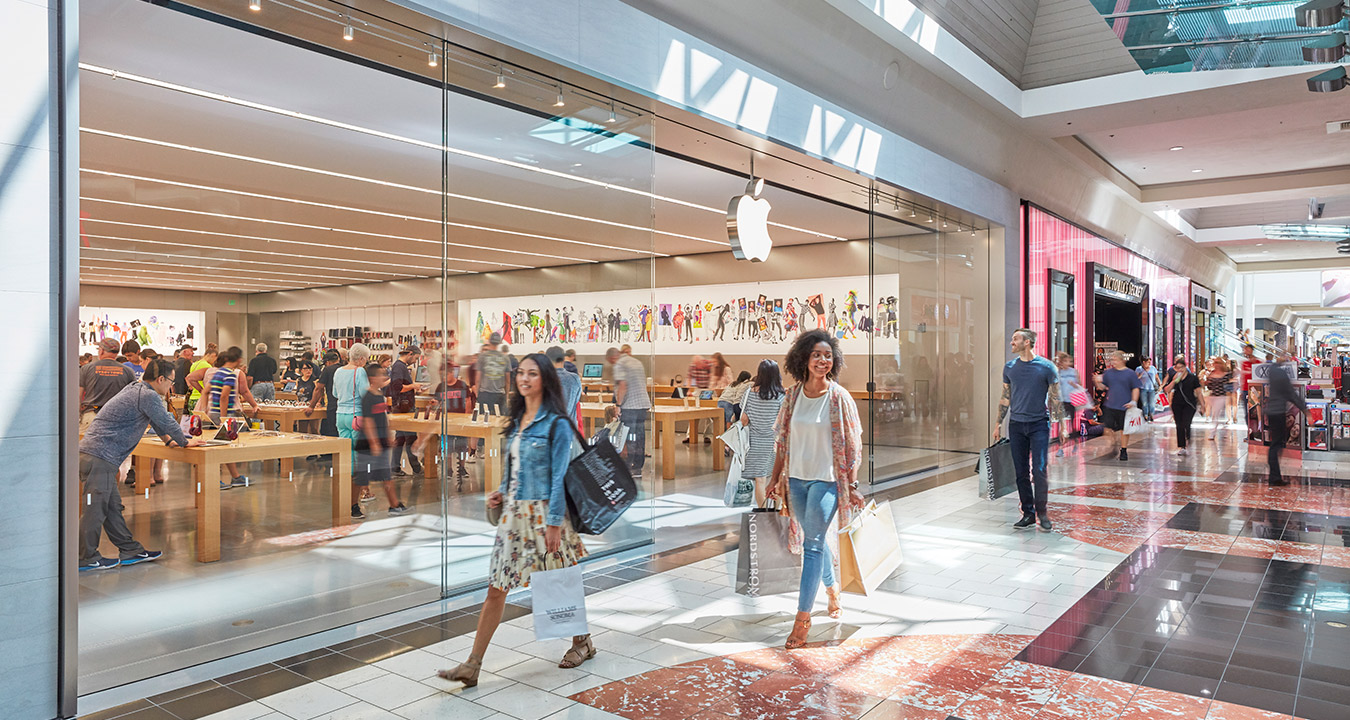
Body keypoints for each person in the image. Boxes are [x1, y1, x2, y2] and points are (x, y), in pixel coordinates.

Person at [438, 354, 592, 685]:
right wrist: (501, 492)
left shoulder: (558, 424)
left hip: (545, 514)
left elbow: (558, 476)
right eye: (520, 373)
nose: (524, 379)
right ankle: (473, 664)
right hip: (515, 514)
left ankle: (582, 642)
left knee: (558, 584)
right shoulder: (518, 418)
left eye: (532, 374)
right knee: (497, 587)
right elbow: (514, 466)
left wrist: (553, 522)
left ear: (546, 379)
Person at [765, 330, 864, 649]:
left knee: (813, 545)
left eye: (828, 355)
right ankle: (832, 589)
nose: (823, 360)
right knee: (813, 541)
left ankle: (802, 621)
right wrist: (774, 477)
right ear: (804, 360)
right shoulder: (792, 396)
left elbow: (852, 445)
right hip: (796, 479)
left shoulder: (839, 397)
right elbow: (782, 441)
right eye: (817, 355)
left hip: (827, 480)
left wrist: (853, 483)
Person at [78, 359, 202, 571]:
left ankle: (130, 550)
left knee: (111, 507)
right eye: (171, 381)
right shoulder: (147, 395)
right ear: (161, 379)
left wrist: (168, 441)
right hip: (100, 456)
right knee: (95, 510)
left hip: (95, 455)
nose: (171, 387)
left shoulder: (136, 389)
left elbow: (155, 420)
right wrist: (184, 441)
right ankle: (85, 557)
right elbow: (165, 420)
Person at [993, 328, 1067, 531]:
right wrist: (998, 423)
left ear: (1027, 342)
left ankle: (1042, 513)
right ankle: (1028, 513)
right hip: (1016, 425)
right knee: (1021, 471)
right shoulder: (1009, 368)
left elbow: (1055, 398)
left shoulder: (1046, 367)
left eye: (1015, 339)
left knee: (1040, 469)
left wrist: (1062, 426)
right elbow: (1005, 397)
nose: (1011, 343)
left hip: (1039, 425)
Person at [357, 363, 410, 516]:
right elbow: (368, 422)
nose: (385, 377)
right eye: (381, 374)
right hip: (367, 444)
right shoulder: (368, 397)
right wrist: (374, 443)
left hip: (380, 441)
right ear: (372, 378)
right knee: (361, 478)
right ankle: (352, 506)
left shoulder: (379, 395)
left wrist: (387, 436)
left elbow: (382, 418)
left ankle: (394, 505)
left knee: (386, 476)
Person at [741, 360, 785, 506]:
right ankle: (776, 513)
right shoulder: (780, 396)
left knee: (760, 480)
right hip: (774, 443)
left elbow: (744, 420)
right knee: (776, 478)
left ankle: (763, 514)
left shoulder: (749, 393)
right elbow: (783, 422)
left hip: (754, 443)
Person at [335, 344, 372, 519]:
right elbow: (365, 395)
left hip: (340, 416)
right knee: (359, 463)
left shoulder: (338, 371)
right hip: (356, 417)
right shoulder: (360, 372)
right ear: (362, 358)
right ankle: (353, 505)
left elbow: (335, 393)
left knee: (346, 460)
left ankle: (343, 501)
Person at [1264, 355, 1308, 485]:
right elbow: (1292, 394)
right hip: (1278, 412)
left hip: (1272, 412)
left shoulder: (1273, 371)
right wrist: (1305, 410)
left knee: (1276, 445)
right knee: (1276, 445)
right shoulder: (1282, 375)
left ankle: (1275, 475)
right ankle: (1274, 477)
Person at [607, 346, 650, 476]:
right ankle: (637, 467)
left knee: (629, 436)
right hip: (642, 404)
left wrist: (618, 404)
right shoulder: (637, 362)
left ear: (612, 358)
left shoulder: (619, 363)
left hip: (629, 406)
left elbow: (622, 385)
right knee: (640, 436)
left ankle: (627, 466)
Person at [80, 338, 137, 435]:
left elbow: (78, 394)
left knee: (86, 449)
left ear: (101, 351)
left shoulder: (87, 368)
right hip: (117, 419)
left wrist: (78, 415)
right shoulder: (128, 371)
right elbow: (133, 398)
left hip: (91, 417)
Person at [1094, 351, 1142, 461]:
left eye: (1115, 359)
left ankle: (1123, 450)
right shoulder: (1108, 373)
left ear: (1122, 360)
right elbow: (1102, 387)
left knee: (1124, 430)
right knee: (1107, 429)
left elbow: (1135, 388)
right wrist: (1096, 382)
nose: (1113, 362)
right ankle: (1113, 444)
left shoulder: (1130, 373)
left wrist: (1133, 401)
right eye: (1112, 359)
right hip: (1110, 405)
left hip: (1124, 406)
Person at [431, 363, 473, 482]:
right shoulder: (440, 387)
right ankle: (449, 469)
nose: (443, 377)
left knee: (462, 446)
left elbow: (468, 401)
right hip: (446, 421)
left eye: (445, 375)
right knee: (447, 446)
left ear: (451, 373)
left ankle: (462, 467)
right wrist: (435, 403)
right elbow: (437, 401)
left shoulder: (461, 385)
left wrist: (466, 417)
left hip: (460, 421)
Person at [387, 346, 424, 477]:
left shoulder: (399, 367)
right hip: (404, 409)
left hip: (403, 407)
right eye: (415, 358)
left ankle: (395, 467)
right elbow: (397, 387)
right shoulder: (399, 367)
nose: (415, 361)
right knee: (410, 438)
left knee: (401, 438)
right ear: (410, 354)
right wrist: (413, 386)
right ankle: (417, 468)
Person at [1161, 356, 1204, 456]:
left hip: (1190, 404)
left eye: (1181, 367)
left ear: (1185, 367)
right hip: (1177, 403)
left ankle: (1187, 437)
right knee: (1179, 425)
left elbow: (1198, 392)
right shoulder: (1175, 378)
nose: (1180, 370)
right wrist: (1174, 381)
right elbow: (1166, 390)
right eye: (1177, 368)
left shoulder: (1192, 378)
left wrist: (1202, 405)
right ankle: (1182, 446)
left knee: (1186, 422)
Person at [305, 349, 342, 465]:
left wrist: (311, 406)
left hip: (332, 405)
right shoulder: (345, 368)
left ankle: (329, 454)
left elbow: (319, 388)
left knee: (330, 430)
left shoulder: (328, 370)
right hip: (346, 405)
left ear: (328, 362)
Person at [546, 345, 582, 428]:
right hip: (570, 428)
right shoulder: (575, 378)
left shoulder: (543, 379)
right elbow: (576, 400)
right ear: (563, 359)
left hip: (549, 429)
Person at [1054, 352, 1082, 458]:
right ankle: (1060, 448)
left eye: (1069, 361)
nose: (1068, 363)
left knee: (1072, 425)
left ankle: (1075, 442)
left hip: (1072, 401)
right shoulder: (1058, 372)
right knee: (1063, 426)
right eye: (1065, 361)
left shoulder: (1074, 372)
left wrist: (1073, 384)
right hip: (1062, 401)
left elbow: (1080, 386)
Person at [474, 333, 510, 415]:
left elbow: (478, 379)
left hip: (485, 394)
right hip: (500, 394)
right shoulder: (505, 358)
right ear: (499, 342)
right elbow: (507, 380)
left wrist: (477, 394)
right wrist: (507, 395)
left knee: (483, 420)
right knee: (498, 420)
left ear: (489, 341)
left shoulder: (482, 357)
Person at [1203, 357, 1232, 439]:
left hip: (1221, 396)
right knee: (1215, 414)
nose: (1216, 365)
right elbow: (1209, 386)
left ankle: (1213, 432)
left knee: (1215, 413)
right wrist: (1207, 382)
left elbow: (1229, 385)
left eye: (1218, 363)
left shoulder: (1226, 374)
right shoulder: (1212, 373)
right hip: (1213, 395)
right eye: (1215, 363)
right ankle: (1219, 429)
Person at [185, 343, 218, 412]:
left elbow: (188, 378)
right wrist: (202, 391)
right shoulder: (207, 366)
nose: (214, 361)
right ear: (210, 356)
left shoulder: (194, 364)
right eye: (215, 358)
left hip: (192, 398)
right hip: (201, 400)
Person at [1135, 357, 1159, 422]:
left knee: (1152, 403)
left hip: (1152, 388)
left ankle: (1151, 415)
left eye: (1149, 362)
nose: (1149, 364)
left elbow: (1157, 377)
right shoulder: (1139, 369)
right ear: (1144, 362)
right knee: (1144, 403)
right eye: (1148, 362)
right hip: (1143, 388)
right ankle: (1145, 415)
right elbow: (1136, 379)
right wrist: (1141, 374)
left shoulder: (1153, 368)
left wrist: (1160, 385)